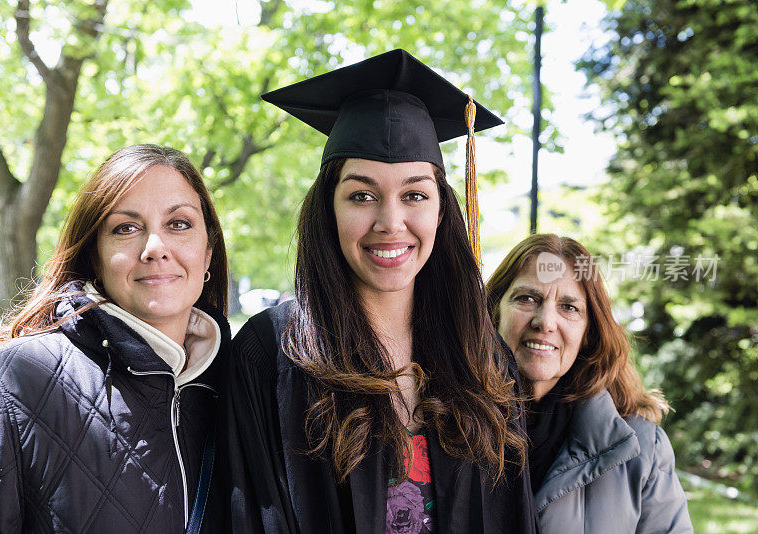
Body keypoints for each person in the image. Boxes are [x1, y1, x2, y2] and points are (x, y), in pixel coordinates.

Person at [227, 49, 538, 533]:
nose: (390, 222)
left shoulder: (482, 356)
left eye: (414, 194)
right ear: (327, 208)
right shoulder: (272, 352)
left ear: (441, 211)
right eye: (361, 195)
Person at [0, 144, 230, 533]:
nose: (155, 249)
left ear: (207, 255)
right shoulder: (4, 385)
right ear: (95, 257)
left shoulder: (240, 389)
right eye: (125, 228)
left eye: (179, 224)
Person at [486, 234, 693, 533]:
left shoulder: (643, 449)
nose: (545, 322)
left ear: (588, 333)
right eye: (528, 298)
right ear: (494, 312)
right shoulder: (446, 427)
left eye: (569, 307)